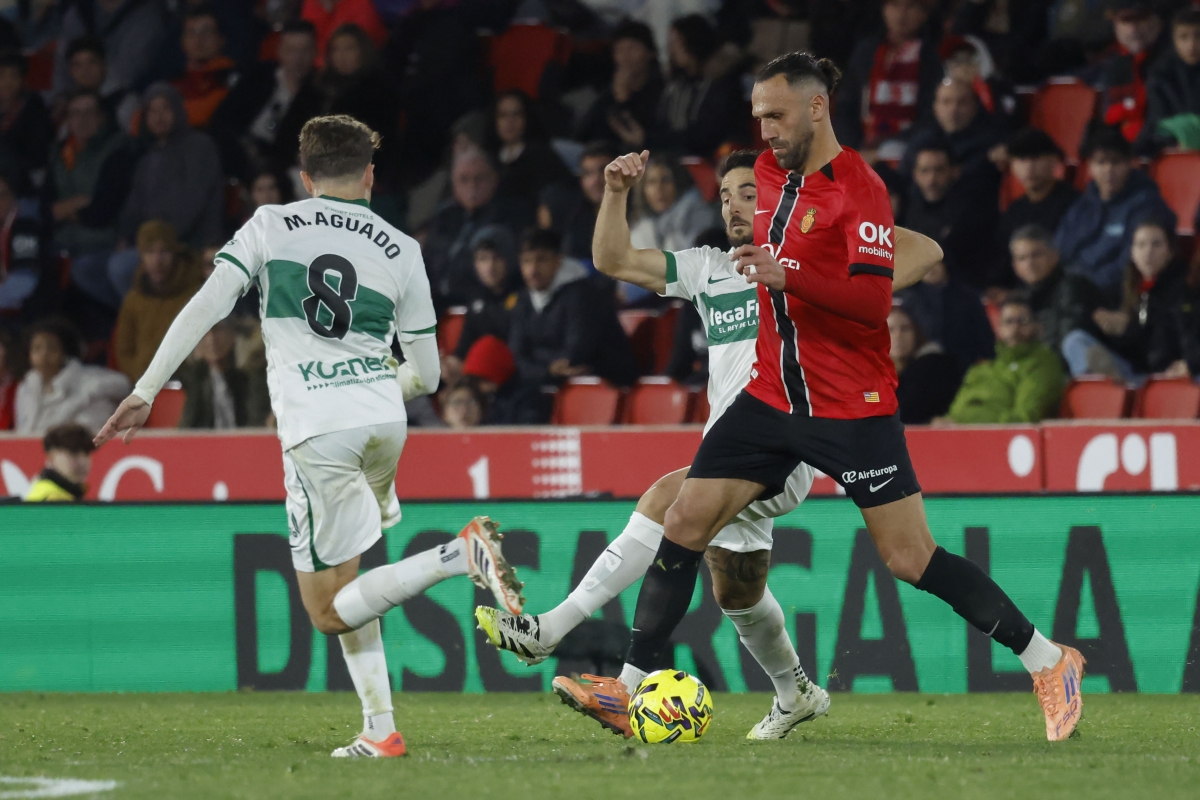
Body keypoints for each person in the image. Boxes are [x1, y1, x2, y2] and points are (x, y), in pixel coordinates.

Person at [582, 53, 1085, 744]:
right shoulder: (763, 176)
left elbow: (874, 299)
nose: (766, 129)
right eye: (758, 115)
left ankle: (1051, 661)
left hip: (851, 402)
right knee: (686, 516)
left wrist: (788, 276)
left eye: (776, 115)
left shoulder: (860, 190)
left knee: (910, 559)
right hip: (768, 396)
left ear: (817, 109)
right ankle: (625, 690)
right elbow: (627, 260)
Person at [93, 115, 525, 759]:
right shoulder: (401, 246)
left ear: (305, 176)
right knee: (347, 582)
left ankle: (458, 555)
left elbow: (207, 304)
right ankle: (380, 728)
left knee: (325, 612)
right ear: (369, 174)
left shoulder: (271, 223)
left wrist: (148, 388)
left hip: (318, 430)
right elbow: (430, 375)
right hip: (384, 423)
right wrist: (377, 386)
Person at [481, 146, 943, 738]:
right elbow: (612, 259)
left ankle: (554, 632)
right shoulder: (708, 268)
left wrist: (839, 224)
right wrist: (617, 193)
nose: (732, 205)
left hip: (789, 447)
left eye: (748, 192)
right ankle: (795, 693)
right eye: (725, 195)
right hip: (730, 451)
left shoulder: (813, 262)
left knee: (667, 500)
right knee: (738, 591)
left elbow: (925, 250)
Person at [505, 228, 637, 422]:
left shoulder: (583, 295)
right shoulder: (524, 299)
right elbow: (515, 356)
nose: (532, 270)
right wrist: (548, 370)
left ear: (558, 261)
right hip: (549, 383)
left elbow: (574, 354)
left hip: (602, 383)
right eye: (526, 262)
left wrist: (536, 362)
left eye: (541, 260)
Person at [115, 83, 223, 300]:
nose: (159, 117)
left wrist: (157, 244)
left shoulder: (199, 146)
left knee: (121, 268)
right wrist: (126, 236)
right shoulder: (147, 158)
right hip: (155, 245)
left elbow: (192, 206)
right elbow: (134, 206)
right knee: (90, 268)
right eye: (152, 111)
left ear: (178, 110)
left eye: (165, 108)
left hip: (192, 244)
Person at [1062, 218, 1199, 382]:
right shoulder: (1131, 288)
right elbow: (1136, 346)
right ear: (1132, 253)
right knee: (1074, 340)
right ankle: (1108, 388)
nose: (1148, 252)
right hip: (1136, 373)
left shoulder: (1185, 288)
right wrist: (1114, 330)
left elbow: (1188, 333)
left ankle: (1114, 390)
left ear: (1170, 251)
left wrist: (1190, 364)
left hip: (1171, 375)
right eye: (1141, 245)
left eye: (1156, 245)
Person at [1055, 125, 1175, 299]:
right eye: (1101, 162)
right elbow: (1060, 250)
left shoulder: (1146, 205)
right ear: (1089, 167)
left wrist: (1082, 289)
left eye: (1116, 162)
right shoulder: (1082, 205)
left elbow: (1130, 264)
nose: (1108, 170)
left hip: (1113, 297)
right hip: (1070, 293)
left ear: (1129, 164)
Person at [49, 90, 138, 307]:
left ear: (101, 117)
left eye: (89, 112)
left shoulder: (118, 149)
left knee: (87, 268)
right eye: (75, 114)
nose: (82, 119)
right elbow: (46, 210)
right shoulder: (60, 152)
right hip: (66, 242)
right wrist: (77, 203)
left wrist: (63, 210)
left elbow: (101, 212)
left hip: (105, 242)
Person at [209, 20, 323, 182]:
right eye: (291, 50)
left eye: (305, 51)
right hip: (237, 150)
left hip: (276, 167)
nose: (297, 59)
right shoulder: (259, 75)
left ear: (315, 53)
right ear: (280, 51)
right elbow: (224, 117)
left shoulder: (318, 93)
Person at [425, 148, 531, 310]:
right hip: (435, 303)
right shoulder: (444, 215)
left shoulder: (510, 215)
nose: (472, 186)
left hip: (479, 304)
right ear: (453, 184)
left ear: (494, 180)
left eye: (479, 179)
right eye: (464, 180)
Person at [834, 0, 943, 156]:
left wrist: (886, 150)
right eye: (894, 6)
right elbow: (847, 106)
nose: (901, 14)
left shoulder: (933, 56)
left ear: (924, 14)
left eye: (910, 7)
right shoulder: (867, 51)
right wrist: (853, 148)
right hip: (862, 146)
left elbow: (931, 115)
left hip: (911, 150)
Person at [941, 296, 1064, 424]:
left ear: (1038, 328)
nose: (1015, 328)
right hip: (959, 436)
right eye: (1008, 322)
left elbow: (1025, 418)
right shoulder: (981, 369)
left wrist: (972, 423)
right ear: (999, 329)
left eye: (1023, 321)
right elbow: (953, 415)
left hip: (1002, 438)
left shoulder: (1043, 362)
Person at [112, 221, 203, 383]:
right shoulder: (134, 300)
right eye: (150, 252)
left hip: (185, 385)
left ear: (175, 253)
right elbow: (124, 350)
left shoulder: (195, 296)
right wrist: (139, 375)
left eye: (164, 252)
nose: (157, 260)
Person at [900, 142, 997, 290]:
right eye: (925, 171)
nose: (932, 179)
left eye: (939, 170)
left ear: (955, 171)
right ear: (915, 175)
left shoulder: (974, 211)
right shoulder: (908, 209)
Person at [991, 129, 1079, 287]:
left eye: (1036, 158)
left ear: (1054, 161)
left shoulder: (1074, 204)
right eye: (1021, 160)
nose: (1029, 167)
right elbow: (1003, 256)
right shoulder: (1015, 210)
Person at [317, 24, 400, 185]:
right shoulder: (320, 86)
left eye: (349, 49)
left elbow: (381, 137)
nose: (342, 56)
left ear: (363, 51)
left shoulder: (379, 89)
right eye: (336, 49)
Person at [16, 317, 129, 435]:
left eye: (51, 348)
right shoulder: (25, 388)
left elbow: (123, 385)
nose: (44, 355)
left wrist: (83, 397)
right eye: (37, 349)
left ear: (64, 352)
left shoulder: (89, 380)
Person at [441, 227, 518, 387]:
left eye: (496, 258)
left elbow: (516, 353)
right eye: (482, 259)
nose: (489, 267)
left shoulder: (523, 297)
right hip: (478, 375)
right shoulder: (476, 298)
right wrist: (450, 364)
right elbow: (464, 345)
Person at [1009, 224, 1102, 355]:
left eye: (1036, 255)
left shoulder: (1072, 286)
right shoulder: (1021, 297)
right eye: (1022, 258)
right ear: (1015, 267)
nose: (1029, 264)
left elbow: (1070, 338)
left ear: (1054, 256)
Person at [53, 0, 167, 99]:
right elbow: (63, 65)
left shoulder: (147, 14)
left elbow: (125, 74)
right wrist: (63, 98)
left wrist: (92, 102)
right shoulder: (79, 12)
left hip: (125, 100)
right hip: (77, 101)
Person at [576, 20, 663, 150]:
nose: (625, 57)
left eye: (632, 48)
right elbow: (585, 133)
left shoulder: (660, 92)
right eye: (620, 50)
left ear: (650, 53)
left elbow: (643, 135)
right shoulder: (608, 91)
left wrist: (623, 100)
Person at [901, 77, 1006, 185]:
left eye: (962, 102)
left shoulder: (992, 142)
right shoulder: (921, 142)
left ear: (975, 106)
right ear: (935, 107)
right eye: (946, 102)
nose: (954, 109)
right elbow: (904, 180)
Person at [895, 259, 995, 370]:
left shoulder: (967, 297)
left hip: (965, 365)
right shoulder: (911, 301)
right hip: (921, 367)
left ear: (945, 263)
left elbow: (983, 333)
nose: (930, 269)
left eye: (935, 262)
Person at [176, 318, 270, 428]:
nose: (211, 339)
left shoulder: (250, 376)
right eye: (204, 333)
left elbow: (256, 423)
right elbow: (188, 426)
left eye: (218, 330)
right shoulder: (195, 378)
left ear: (232, 334)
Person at [487, 89, 570, 207]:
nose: (509, 122)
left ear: (527, 118)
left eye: (516, 114)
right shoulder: (488, 159)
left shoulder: (543, 157)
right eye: (503, 115)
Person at [1138, 7, 1200, 153]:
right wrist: (1175, 141)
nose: (1191, 45)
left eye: (1198, 36)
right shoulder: (1161, 74)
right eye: (1183, 37)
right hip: (1172, 148)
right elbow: (1156, 122)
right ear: (1174, 40)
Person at [538, 142, 614, 261]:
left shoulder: (635, 212)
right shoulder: (574, 218)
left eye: (604, 172)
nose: (596, 181)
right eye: (588, 174)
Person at [890, 305, 962, 424]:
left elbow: (904, 406)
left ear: (917, 332)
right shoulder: (871, 369)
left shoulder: (933, 366)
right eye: (890, 329)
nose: (898, 336)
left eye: (905, 329)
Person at [171, 6, 238, 129]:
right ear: (182, 41)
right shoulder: (174, 79)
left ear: (221, 39)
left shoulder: (231, 76)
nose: (198, 40)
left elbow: (206, 114)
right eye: (191, 32)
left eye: (206, 32)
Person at [0, 50, 53, 193]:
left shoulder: (32, 106)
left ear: (22, 80)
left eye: (14, 76)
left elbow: (38, 154)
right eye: (2, 76)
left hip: (25, 180)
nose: (7, 82)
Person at [23, 422, 96, 502]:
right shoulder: (51, 499)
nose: (82, 462)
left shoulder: (64, 494)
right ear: (51, 457)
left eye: (86, 453)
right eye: (73, 453)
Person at [301, 0, 387, 66]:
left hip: (352, 74)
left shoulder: (360, 6)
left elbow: (358, 55)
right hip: (313, 69)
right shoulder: (311, 3)